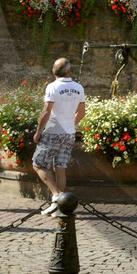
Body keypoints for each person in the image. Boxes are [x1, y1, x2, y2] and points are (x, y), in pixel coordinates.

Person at [33, 58, 87, 213]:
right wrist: (70, 124)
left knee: (38, 163)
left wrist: (38, 131)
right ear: (69, 72)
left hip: (53, 132)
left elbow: (46, 111)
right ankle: (59, 208)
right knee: (60, 168)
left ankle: (57, 195)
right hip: (69, 133)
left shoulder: (52, 87)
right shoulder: (79, 87)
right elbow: (82, 112)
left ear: (53, 72)